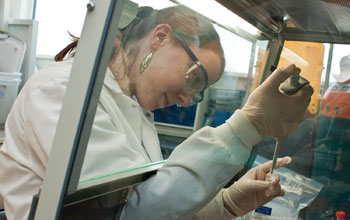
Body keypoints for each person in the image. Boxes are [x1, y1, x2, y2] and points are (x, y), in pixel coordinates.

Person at [0, 5, 313, 220]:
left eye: (199, 91)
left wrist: (228, 203)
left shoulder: (134, 112)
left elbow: (158, 206)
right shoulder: (63, 92)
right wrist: (246, 126)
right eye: (195, 77)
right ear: (160, 37)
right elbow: (136, 213)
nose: (187, 100)